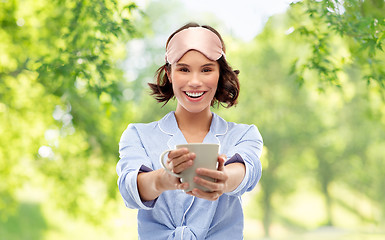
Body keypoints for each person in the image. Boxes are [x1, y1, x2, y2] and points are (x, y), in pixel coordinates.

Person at [117, 22, 263, 239]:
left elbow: (247, 171)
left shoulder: (243, 135)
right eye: (184, 69)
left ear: (220, 74)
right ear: (169, 73)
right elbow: (129, 189)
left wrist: (223, 179)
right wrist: (162, 180)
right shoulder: (138, 135)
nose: (195, 82)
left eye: (206, 69)